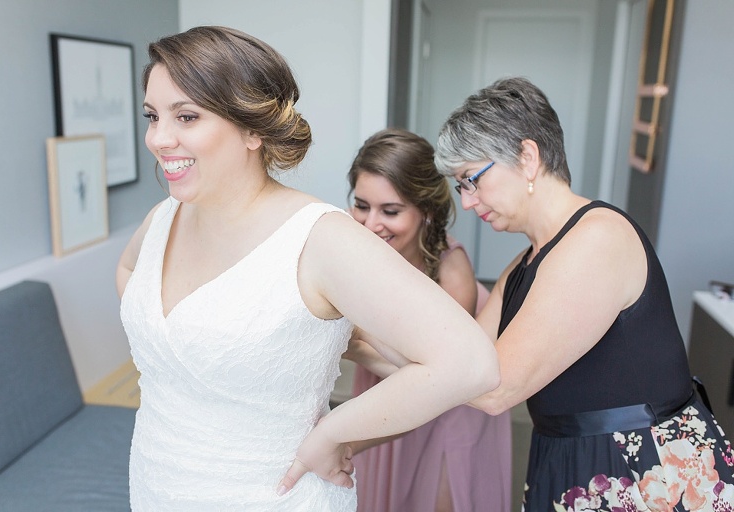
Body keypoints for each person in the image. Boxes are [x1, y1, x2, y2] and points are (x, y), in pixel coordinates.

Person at [115, 26, 500, 511]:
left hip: (269, 495)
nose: (158, 139)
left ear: (254, 128)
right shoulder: (163, 217)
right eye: (152, 116)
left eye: (186, 116)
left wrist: (335, 431)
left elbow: (470, 364)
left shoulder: (320, 238)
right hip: (156, 484)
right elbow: (131, 274)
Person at [432, 76, 734, 510]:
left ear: (527, 157)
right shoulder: (518, 269)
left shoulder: (597, 240)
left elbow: (492, 388)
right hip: (567, 459)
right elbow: (462, 360)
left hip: (642, 468)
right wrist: (363, 345)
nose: (467, 201)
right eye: (461, 186)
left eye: (472, 179)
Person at [343, 128, 512, 512]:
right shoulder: (357, 251)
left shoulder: (451, 269)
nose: (371, 224)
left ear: (427, 212)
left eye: (390, 211)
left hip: (450, 411)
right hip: (387, 394)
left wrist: (355, 345)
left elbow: (438, 378)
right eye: (361, 205)